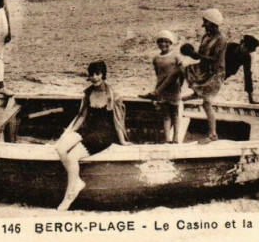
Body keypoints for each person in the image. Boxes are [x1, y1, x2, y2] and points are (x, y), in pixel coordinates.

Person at [55, 61, 129, 210]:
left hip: (104, 133)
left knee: (72, 157)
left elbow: (118, 119)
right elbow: (82, 116)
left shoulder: (112, 94)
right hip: (88, 129)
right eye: (92, 74)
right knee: (60, 147)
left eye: (98, 74)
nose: (95, 77)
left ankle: (69, 196)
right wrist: (69, 133)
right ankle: (77, 182)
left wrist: (123, 140)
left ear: (103, 74)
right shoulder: (88, 92)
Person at [181, 8, 227, 144]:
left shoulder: (221, 40)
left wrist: (196, 55)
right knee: (183, 70)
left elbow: (214, 59)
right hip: (204, 69)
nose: (203, 25)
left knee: (207, 103)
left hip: (215, 73)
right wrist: (193, 54)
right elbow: (202, 56)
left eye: (205, 22)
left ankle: (213, 134)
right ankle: (196, 93)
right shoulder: (206, 36)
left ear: (212, 23)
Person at [140, 31, 184, 143]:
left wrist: (180, 85)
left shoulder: (176, 56)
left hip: (174, 88)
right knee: (166, 115)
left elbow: (182, 72)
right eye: (161, 42)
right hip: (161, 89)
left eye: (166, 42)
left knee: (175, 113)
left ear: (170, 42)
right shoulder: (156, 58)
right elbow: (158, 73)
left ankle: (176, 137)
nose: (163, 44)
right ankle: (167, 138)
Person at [224, 35, 259, 104]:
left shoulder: (247, 58)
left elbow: (248, 75)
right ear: (241, 43)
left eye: (248, 51)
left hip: (227, 73)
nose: (245, 50)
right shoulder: (229, 46)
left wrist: (250, 99)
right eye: (244, 47)